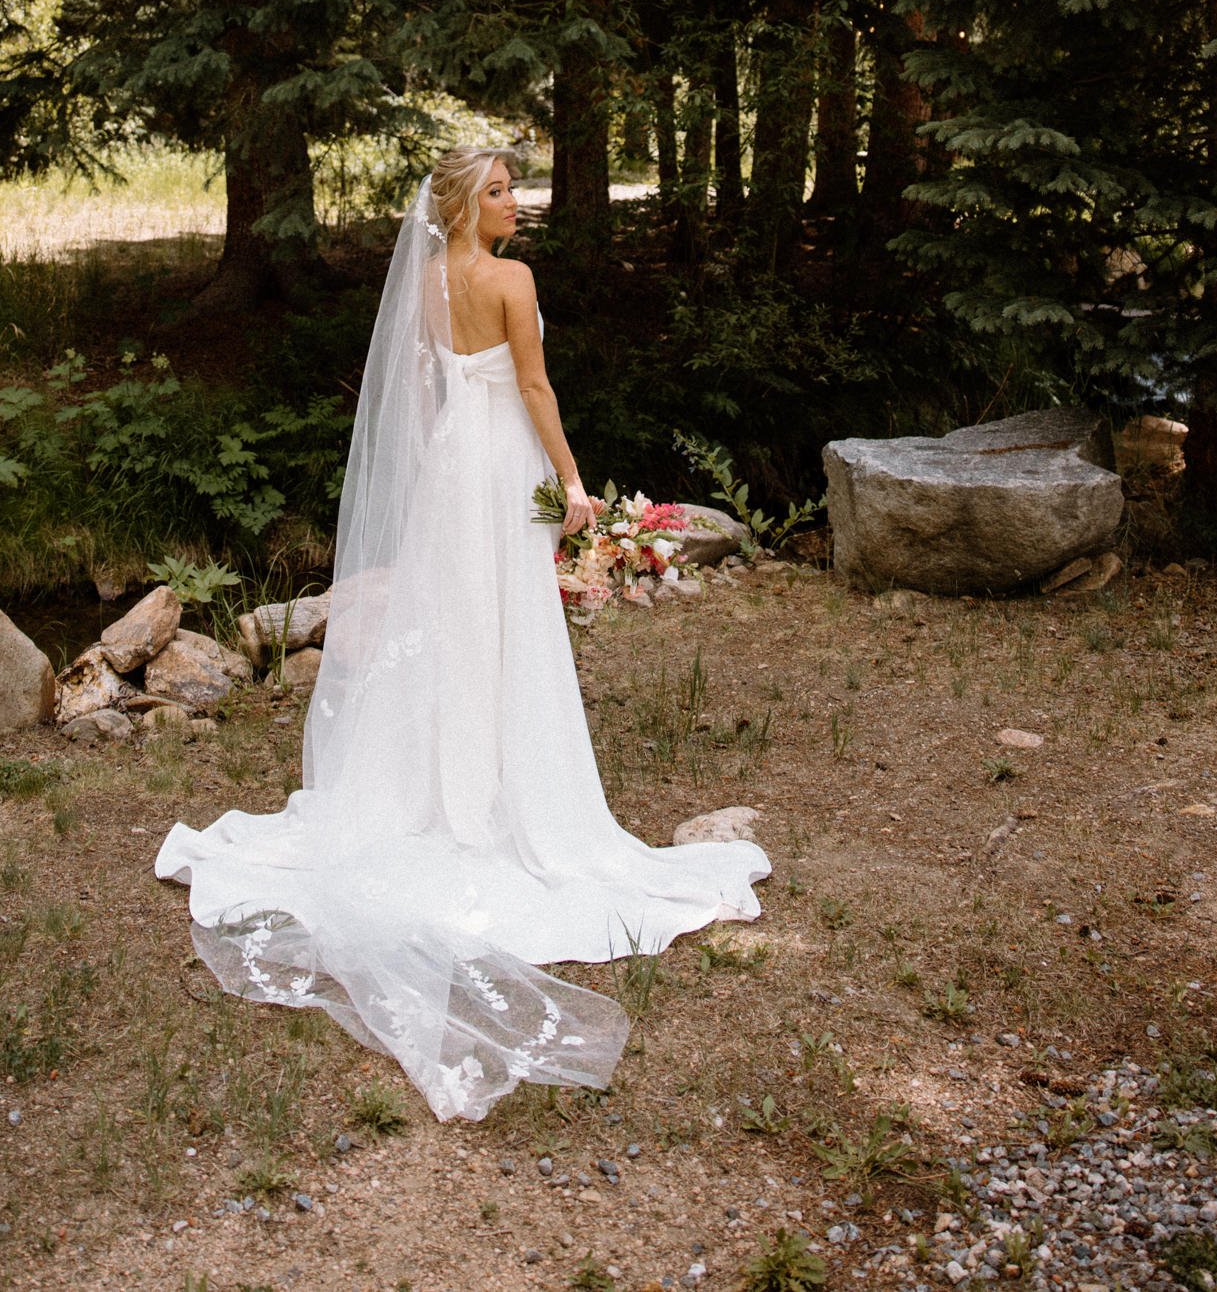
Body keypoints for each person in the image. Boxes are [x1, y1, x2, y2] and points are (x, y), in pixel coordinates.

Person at [154, 146, 769, 1120]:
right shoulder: (509, 278)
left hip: (451, 467)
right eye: (495, 190)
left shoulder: (429, 284)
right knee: (502, 620)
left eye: (508, 189)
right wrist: (570, 484)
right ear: (459, 204)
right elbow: (532, 389)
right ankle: (499, 791)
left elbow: (429, 396)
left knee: (450, 619)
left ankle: (444, 782)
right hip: (506, 465)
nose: (511, 202)